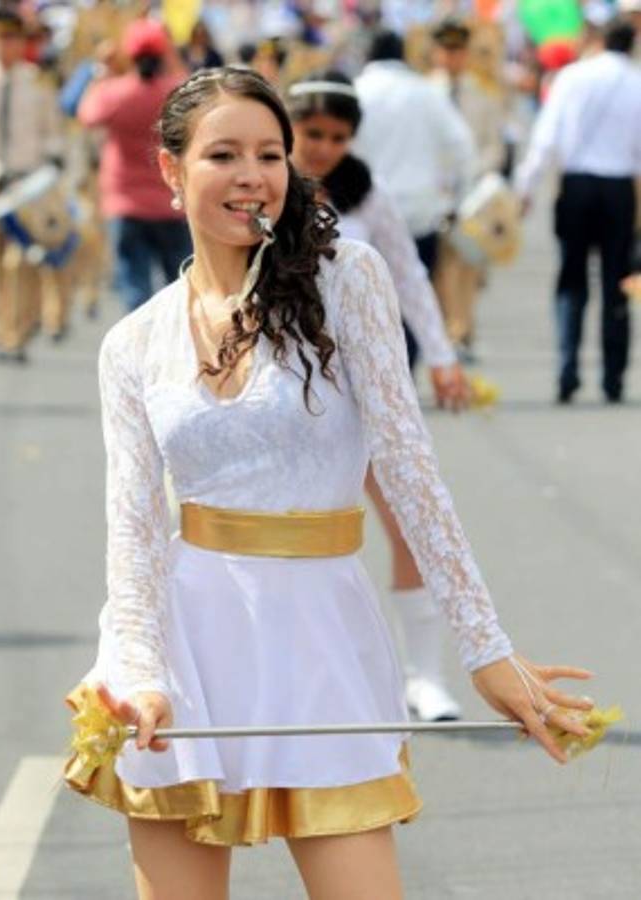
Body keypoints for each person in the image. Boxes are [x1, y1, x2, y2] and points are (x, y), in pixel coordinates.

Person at [64, 67, 593, 900]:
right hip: (185, 642)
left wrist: (485, 649)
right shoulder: (132, 343)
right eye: (224, 155)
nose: (252, 176)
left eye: (270, 155)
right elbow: (130, 532)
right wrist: (138, 673)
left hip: (320, 634)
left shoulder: (347, 279)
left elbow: (412, 472)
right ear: (170, 170)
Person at [287, 69, 468, 721]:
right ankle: (310, 679)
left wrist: (442, 356)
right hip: (285, 390)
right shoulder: (261, 186)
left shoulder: (368, 192)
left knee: (409, 521)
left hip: (364, 384)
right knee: (295, 537)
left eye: (338, 136)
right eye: (312, 133)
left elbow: (410, 273)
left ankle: (424, 678)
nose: (324, 147)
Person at [515, 18, 641, 404]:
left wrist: (525, 188)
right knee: (616, 283)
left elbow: (546, 136)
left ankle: (567, 370)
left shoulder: (571, 77)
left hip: (577, 187)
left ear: (601, 41)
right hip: (620, 189)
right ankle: (612, 379)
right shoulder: (637, 82)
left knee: (571, 279)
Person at [353, 29, 476, 326]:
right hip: (420, 213)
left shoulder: (356, 91)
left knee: (369, 304)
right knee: (415, 300)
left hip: (366, 213)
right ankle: (407, 366)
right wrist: (456, 201)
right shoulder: (425, 92)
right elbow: (462, 147)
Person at [77, 18, 191, 313]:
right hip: (171, 201)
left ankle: (140, 352)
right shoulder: (175, 92)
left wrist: (103, 71)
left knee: (135, 287)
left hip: (125, 203)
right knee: (179, 286)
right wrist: (173, 57)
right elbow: (197, 93)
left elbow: (87, 114)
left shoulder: (116, 92)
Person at [429, 18, 507, 361]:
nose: (452, 58)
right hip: (432, 193)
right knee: (438, 268)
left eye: (458, 52)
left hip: (472, 195)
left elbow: (495, 146)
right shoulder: (424, 92)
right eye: (447, 51)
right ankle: (447, 329)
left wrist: (474, 175)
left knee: (468, 266)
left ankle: (462, 330)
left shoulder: (483, 94)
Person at [0, 8, 63, 362]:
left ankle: (15, 335)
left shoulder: (37, 81)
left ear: (21, 42)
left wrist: (50, 167)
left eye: (11, 38)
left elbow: (52, 134)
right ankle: (1, 329)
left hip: (25, 184)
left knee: (18, 261)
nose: (4, 45)